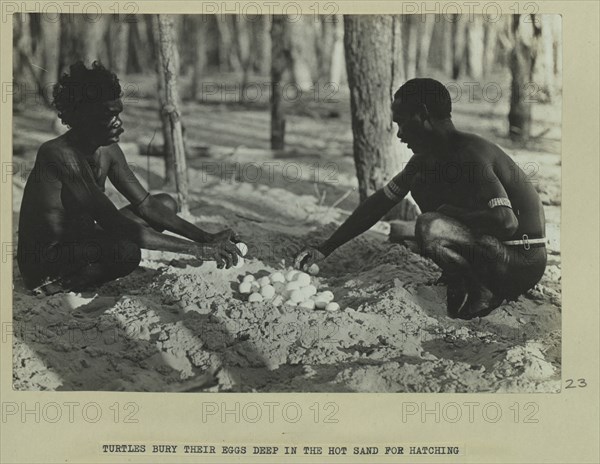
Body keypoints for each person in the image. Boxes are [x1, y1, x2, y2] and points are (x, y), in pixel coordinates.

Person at [295, 78, 547, 319]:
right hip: (496, 253)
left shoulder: (470, 154)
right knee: (422, 187)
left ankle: (481, 289)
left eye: (402, 123)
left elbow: (506, 222)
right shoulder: (426, 160)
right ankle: (462, 277)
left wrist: (450, 214)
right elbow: (380, 202)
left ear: (424, 115)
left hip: (521, 263)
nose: (399, 134)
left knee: (431, 225)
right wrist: (324, 249)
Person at [17, 61, 241, 294]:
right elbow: (113, 223)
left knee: (165, 203)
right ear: (84, 116)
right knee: (126, 252)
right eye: (109, 115)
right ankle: (61, 284)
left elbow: (146, 205)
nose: (119, 122)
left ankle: (81, 272)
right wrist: (199, 251)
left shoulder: (108, 150)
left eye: (118, 113)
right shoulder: (58, 153)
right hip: (45, 259)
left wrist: (206, 238)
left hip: (81, 240)